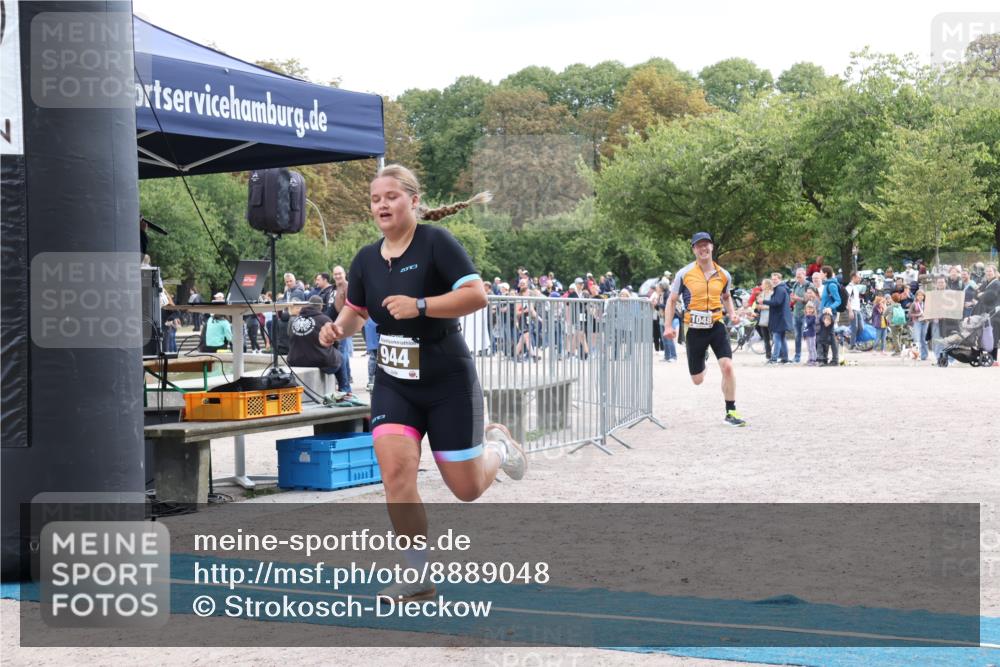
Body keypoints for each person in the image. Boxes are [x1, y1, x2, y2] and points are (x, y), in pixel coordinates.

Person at [318, 164, 527, 602]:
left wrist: (422, 304)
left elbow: (476, 295)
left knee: (466, 489)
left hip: (447, 378)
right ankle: (417, 575)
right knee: (395, 473)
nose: (381, 205)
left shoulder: (437, 244)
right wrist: (337, 328)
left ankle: (499, 446)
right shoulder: (365, 259)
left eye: (391, 196)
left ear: (414, 201)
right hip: (394, 383)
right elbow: (356, 311)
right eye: (375, 199)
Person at [662, 232, 746, 426]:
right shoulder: (684, 274)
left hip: (716, 324)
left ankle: (731, 411)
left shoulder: (724, 274)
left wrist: (732, 313)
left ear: (712, 247)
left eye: (706, 245)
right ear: (693, 249)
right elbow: (672, 300)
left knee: (727, 367)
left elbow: (726, 297)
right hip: (694, 328)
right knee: (697, 379)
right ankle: (704, 360)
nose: (703, 249)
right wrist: (668, 326)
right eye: (699, 246)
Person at [288, 295, 343, 393]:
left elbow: (289, 337)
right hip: (317, 360)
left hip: (294, 360)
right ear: (321, 306)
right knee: (341, 357)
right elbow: (335, 342)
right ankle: (345, 389)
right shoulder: (325, 319)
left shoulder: (295, 320)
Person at [763, 272, 790, 364]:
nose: (774, 281)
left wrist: (764, 301)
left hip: (779, 317)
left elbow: (777, 302)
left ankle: (774, 358)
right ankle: (785, 358)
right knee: (782, 338)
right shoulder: (781, 288)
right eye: (772, 279)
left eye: (775, 279)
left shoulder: (780, 289)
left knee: (777, 337)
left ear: (780, 279)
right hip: (782, 317)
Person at [790, 268, 809, 363]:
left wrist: (798, 298)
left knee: (808, 335)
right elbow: (793, 300)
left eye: (799, 276)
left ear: (804, 275)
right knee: (797, 336)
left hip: (806, 314)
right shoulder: (795, 285)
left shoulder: (808, 285)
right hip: (796, 313)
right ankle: (797, 356)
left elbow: (807, 300)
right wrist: (792, 299)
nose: (798, 278)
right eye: (796, 276)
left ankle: (812, 356)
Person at [754, 278, 773, 361]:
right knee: (766, 339)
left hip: (770, 318)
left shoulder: (772, 294)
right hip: (762, 319)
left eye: (763, 284)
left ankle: (776, 354)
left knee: (775, 337)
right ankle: (768, 355)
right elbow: (757, 304)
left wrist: (764, 307)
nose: (761, 285)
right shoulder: (761, 294)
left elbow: (773, 306)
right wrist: (758, 307)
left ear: (767, 285)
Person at [908, 289, 928, 361]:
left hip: (925, 322)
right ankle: (915, 355)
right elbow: (909, 314)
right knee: (916, 339)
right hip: (917, 322)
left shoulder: (926, 304)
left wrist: (927, 317)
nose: (920, 297)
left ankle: (924, 355)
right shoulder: (914, 304)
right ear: (916, 296)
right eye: (918, 295)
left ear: (924, 296)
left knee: (924, 339)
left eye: (922, 295)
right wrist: (918, 314)